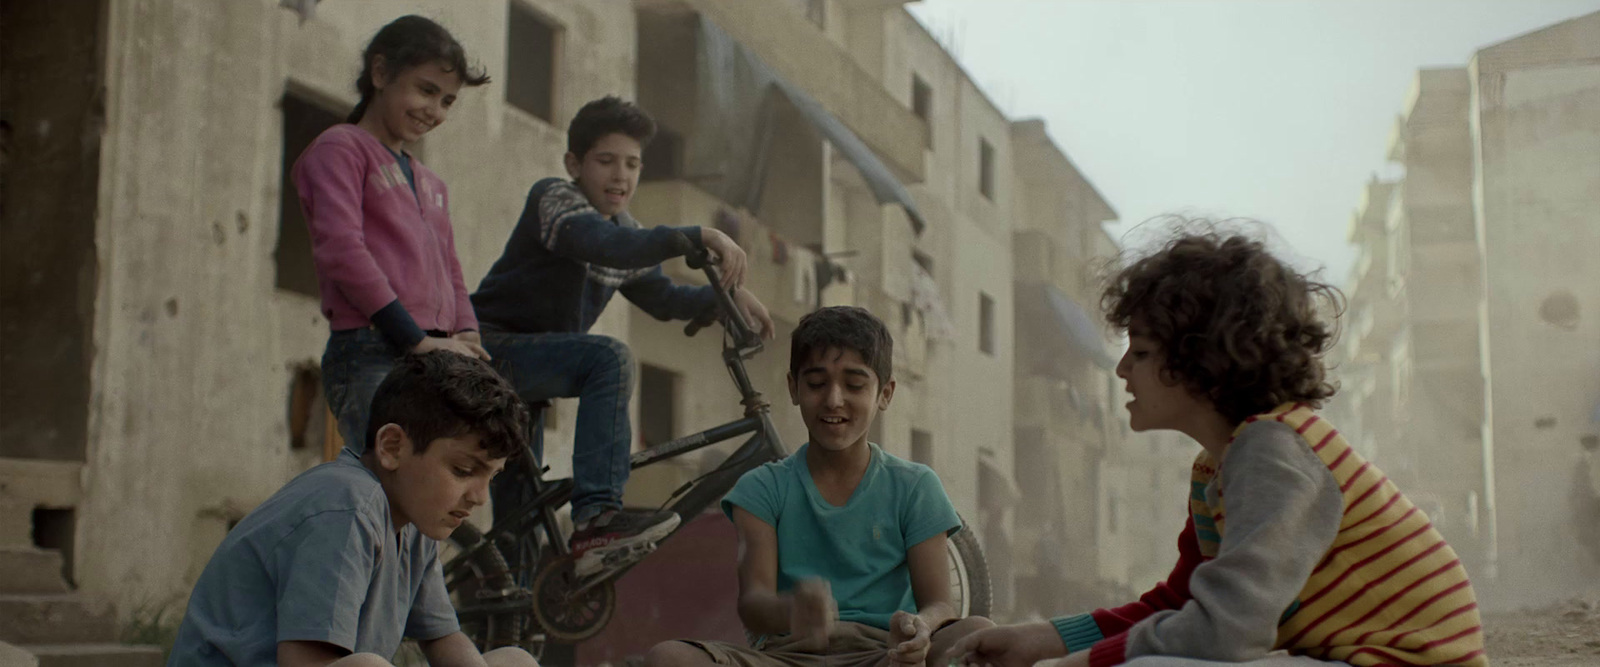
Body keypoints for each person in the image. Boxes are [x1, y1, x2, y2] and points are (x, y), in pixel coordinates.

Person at [951, 232, 1488, 667]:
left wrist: (1085, 663)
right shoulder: (1221, 464)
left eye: (1139, 352)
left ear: (1203, 362)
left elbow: (1226, 631)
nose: (1121, 371)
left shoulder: (1274, 451)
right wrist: (1044, 639)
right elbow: (1180, 604)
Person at [469, 96, 775, 566]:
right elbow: (603, 244)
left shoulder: (625, 231)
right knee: (608, 358)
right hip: (489, 354)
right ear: (574, 163)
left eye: (632, 165)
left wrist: (725, 298)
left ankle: (508, 625)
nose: (621, 177)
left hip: (527, 381)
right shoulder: (555, 201)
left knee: (520, 529)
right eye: (606, 161)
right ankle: (596, 521)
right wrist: (697, 235)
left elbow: (664, 296)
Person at [641, 306, 992, 667]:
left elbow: (940, 604)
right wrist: (791, 611)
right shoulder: (762, 488)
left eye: (854, 385)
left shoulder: (916, 486)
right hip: (788, 658)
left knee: (978, 634)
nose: (833, 399)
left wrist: (921, 626)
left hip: (886, 656)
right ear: (793, 388)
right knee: (668, 659)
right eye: (816, 383)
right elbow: (753, 605)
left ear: (885, 394)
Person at [169, 352, 536, 667]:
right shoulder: (346, 506)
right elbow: (308, 664)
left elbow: (444, 640)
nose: (480, 497)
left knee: (515, 661)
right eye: (463, 470)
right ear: (392, 447)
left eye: (491, 477)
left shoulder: (416, 521)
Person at [294, 15, 492, 458]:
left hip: (433, 353)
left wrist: (467, 332)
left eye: (447, 101)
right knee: (384, 487)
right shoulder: (340, 149)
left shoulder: (431, 183)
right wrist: (413, 337)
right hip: (371, 349)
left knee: (427, 496)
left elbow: (451, 269)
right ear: (380, 74)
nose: (435, 110)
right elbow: (342, 251)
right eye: (425, 90)